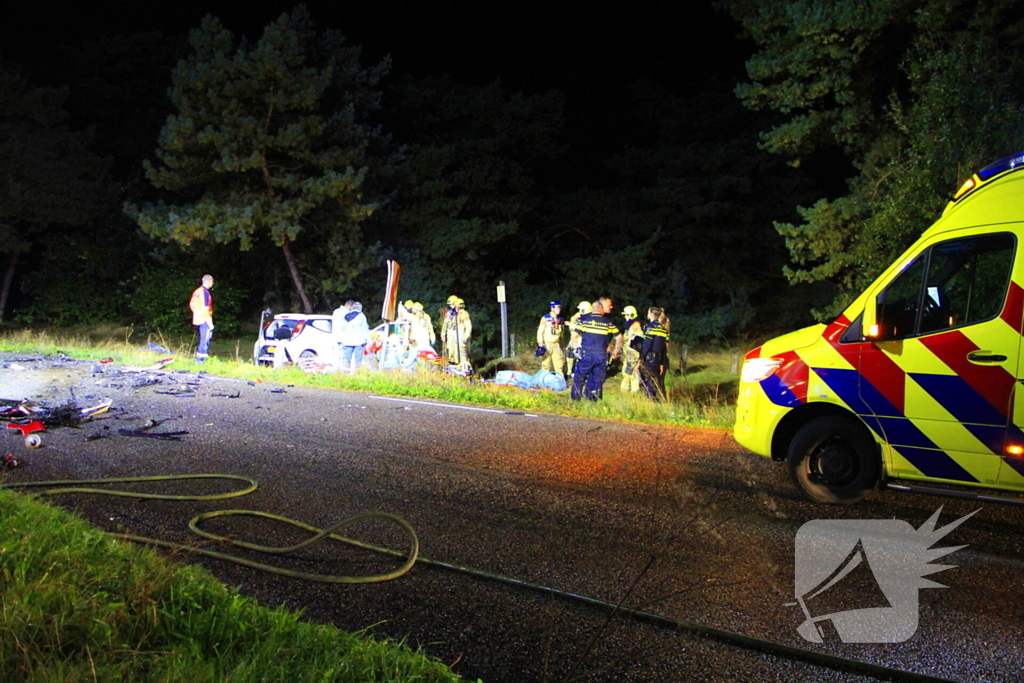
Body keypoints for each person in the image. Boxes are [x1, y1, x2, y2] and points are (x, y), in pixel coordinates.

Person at [570, 298, 622, 401]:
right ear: (601, 309)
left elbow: (574, 336)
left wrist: (576, 349)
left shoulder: (584, 320)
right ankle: (593, 399)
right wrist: (616, 350)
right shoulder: (607, 322)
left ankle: (576, 398)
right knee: (597, 379)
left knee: (580, 377)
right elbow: (620, 337)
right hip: (601, 355)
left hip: (587, 353)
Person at [639, 307, 671, 400]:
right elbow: (664, 347)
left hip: (650, 358)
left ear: (652, 315)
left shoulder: (650, 327)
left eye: (648, 313)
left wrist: (641, 356)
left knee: (648, 381)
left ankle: (651, 400)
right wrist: (662, 362)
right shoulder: (663, 329)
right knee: (657, 381)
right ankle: (659, 399)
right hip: (659, 358)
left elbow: (648, 344)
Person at [336, 302, 370, 373]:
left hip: (347, 341)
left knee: (346, 359)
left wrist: (339, 339)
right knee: (358, 360)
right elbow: (364, 329)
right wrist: (368, 340)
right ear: (360, 308)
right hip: (359, 341)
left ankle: (345, 373)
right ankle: (357, 373)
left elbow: (341, 328)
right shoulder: (362, 316)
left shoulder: (346, 315)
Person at [443, 295, 472, 372]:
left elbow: (468, 326)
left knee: (462, 353)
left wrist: (466, 336)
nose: (452, 307)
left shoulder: (464, 314)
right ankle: (454, 367)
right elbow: (446, 324)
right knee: (452, 352)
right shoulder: (452, 314)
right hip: (453, 335)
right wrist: (443, 333)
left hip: (461, 335)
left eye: (453, 305)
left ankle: (465, 369)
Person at [189, 274, 214, 362]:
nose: (213, 283)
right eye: (212, 281)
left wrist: (196, 313)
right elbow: (205, 308)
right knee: (205, 339)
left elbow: (192, 304)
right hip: (204, 320)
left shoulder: (197, 291)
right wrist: (210, 323)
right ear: (208, 281)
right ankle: (201, 359)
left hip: (198, 319)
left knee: (203, 338)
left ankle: (200, 358)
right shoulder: (205, 293)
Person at [536, 301, 566, 375]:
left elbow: (561, 332)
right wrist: (540, 342)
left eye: (559, 308)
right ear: (552, 308)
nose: (559, 309)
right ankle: (544, 379)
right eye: (557, 308)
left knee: (559, 362)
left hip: (556, 343)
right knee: (546, 363)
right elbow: (540, 330)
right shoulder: (545, 318)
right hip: (547, 343)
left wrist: (560, 341)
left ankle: (560, 379)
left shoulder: (560, 319)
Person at [620, 305, 643, 393]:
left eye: (626, 315)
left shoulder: (635, 325)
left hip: (633, 353)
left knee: (632, 373)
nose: (625, 317)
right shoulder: (629, 325)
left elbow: (639, 339)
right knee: (626, 372)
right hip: (628, 352)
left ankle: (634, 391)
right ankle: (625, 390)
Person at [565, 300, 591, 377]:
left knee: (581, 356)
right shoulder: (576, 316)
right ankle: (569, 371)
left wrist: (571, 325)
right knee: (570, 353)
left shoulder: (591, 318)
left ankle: (581, 372)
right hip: (575, 337)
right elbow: (573, 326)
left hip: (584, 339)